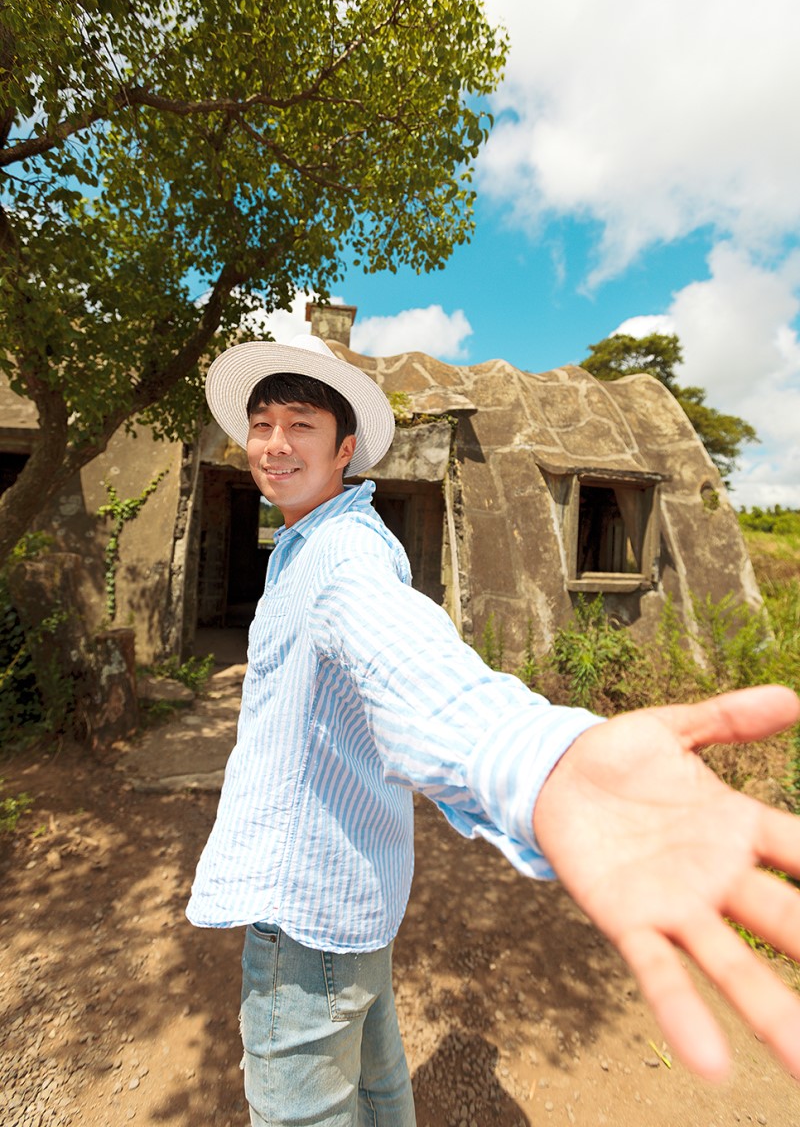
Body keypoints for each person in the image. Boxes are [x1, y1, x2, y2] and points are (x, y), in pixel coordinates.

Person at [188, 333, 800, 1127]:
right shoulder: (313, 546)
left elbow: (409, 661)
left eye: (300, 425)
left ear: (345, 449)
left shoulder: (342, 560)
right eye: (261, 425)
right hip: (358, 896)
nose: (274, 445)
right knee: (379, 1091)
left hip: (303, 914)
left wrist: (545, 761)